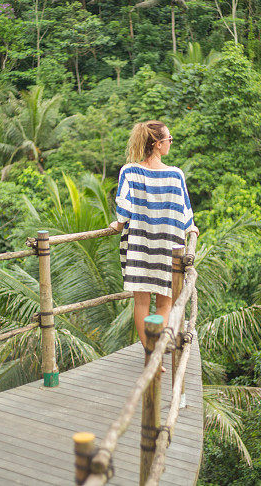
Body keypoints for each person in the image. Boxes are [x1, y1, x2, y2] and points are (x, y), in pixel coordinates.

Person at [108, 120, 199, 355]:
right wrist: (192, 228)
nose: (170, 143)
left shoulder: (128, 171)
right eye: (169, 139)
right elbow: (185, 212)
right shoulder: (175, 175)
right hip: (167, 248)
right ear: (158, 144)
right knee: (165, 304)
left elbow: (124, 210)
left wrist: (117, 225)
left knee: (140, 303)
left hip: (138, 246)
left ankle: (150, 355)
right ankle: (158, 351)